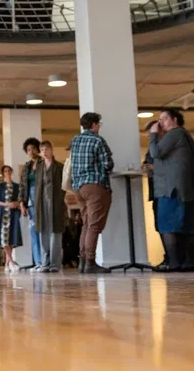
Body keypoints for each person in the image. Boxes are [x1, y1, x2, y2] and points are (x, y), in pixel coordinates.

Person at [149, 108, 194, 273]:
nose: (161, 123)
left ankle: (174, 263)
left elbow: (155, 152)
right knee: (188, 228)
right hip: (186, 189)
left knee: (167, 226)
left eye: (164, 119)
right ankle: (189, 262)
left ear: (175, 119)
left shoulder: (174, 134)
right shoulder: (186, 135)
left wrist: (153, 134)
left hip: (171, 189)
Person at [68, 112, 113, 274]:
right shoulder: (97, 140)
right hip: (94, 186)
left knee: (86, 224)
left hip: (78, 188)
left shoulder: (75, 140)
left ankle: (83, 261)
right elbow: (108, 164)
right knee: (94, 225)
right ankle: (90, 262)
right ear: (94, 124)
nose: (99, 126)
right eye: (98, 123)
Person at [32, 141, 66, 272]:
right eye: (42, 150)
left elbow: (64, 185)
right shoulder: (39, 167)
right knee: (43, 232)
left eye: (46, 149)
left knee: (55, 232)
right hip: (41, 202)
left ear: (51, 149)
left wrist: (61, 198)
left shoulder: (59, 166)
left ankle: (54, 264)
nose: (44, 152)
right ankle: (45, 263)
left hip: (55, 202)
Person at [142, 121, 168, 267]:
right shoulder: (151, 148)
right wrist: (146, 166)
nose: (150, 138)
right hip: (155, 191)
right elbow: (147, 162)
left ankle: (173, 258)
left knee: (167, 226)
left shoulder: (167, 144)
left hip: (165, 190)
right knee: (159, 226)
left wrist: (153, 166)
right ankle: (168, 256)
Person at [18, 137, 43, 270]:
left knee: (43, 231)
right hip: (30, 201)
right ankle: (38, 262)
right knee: (33, 232)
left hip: (42, 199)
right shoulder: (26, 167)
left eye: (33, 148)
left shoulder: (43, 163)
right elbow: (22, 186)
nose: (31, 151)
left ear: (38, 149)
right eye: (28, 149)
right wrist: (22, 204)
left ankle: (45, 261)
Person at [0, 165, 23, 273]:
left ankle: (7, 264)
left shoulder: (17, 186)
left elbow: (20, 199)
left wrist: (17, 204)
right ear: (3, 173)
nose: (8, 172)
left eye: (9, 170)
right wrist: (6, 204)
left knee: (11, 239)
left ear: (12, 172)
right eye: (5, 171)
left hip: (13, 215)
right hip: (3, 215)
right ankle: (12, 262)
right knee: (4, 239)